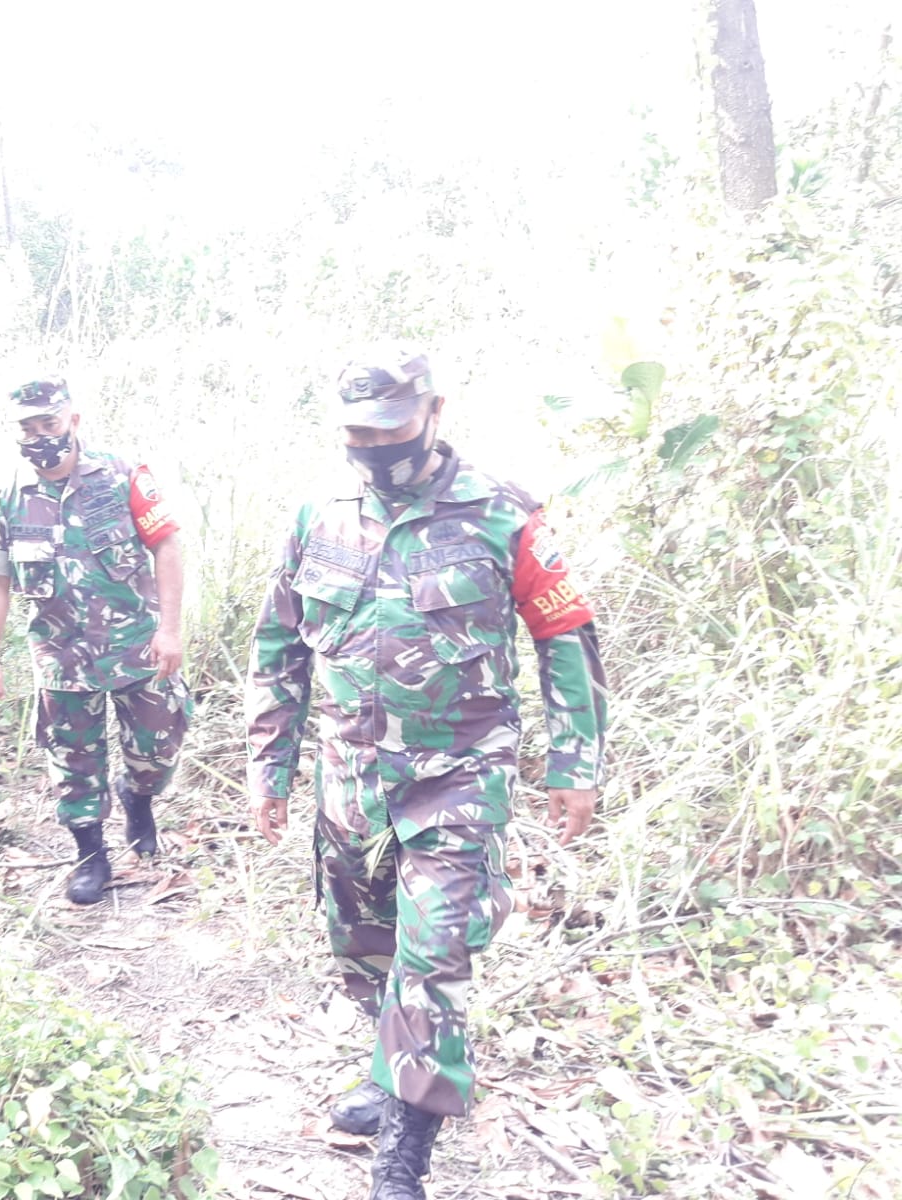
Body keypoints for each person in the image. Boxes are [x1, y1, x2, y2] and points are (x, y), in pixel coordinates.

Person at [245, 347, 607, 1199]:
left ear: (434, 410)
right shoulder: (315, 515)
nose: (373, 445)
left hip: (458, 773)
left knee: (435, 950)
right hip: (349, 778)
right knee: (362, 944)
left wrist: (574, 761)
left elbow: (566, 636)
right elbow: (277, 649)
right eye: (355, 432)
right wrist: (270, 765)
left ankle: (407, 1148)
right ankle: (387, 1067)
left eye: (390, 428)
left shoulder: (501, 512)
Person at [0, 377, 191, 905]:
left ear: (73, 419)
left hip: (138, 647)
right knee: (72, 761)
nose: (39, 435)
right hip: (62, 658)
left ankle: (139, 799)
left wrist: (169, 628)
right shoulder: (8, 496)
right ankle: (90, 853)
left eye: (48, 423)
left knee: (158, 750)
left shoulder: (123, 476)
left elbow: (166, 547)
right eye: (28, 427)